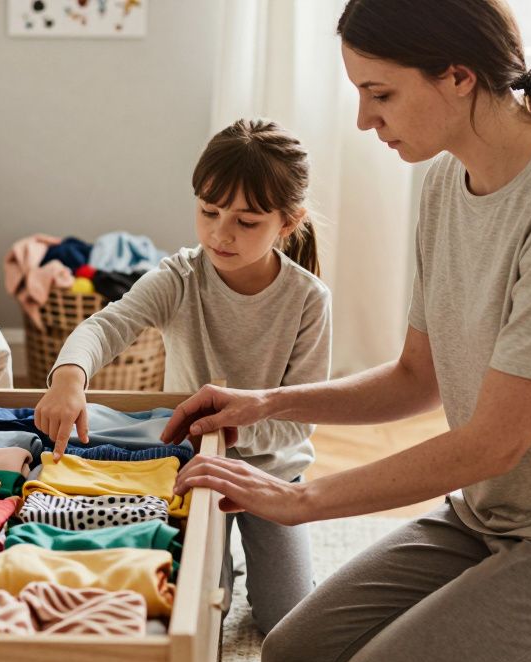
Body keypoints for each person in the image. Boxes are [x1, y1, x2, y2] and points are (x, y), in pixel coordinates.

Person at [161, 1, 531, 662]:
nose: (363, 120)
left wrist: (302, 500)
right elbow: (417, 377)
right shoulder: (447, 183)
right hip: (494, 515)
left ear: (457, 77)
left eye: (379, 93)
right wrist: (261, 402)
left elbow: (492, 443)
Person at [33, 119, 331, 635]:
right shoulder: (179, 277)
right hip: (194, 470)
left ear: (288, 222)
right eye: (209, 212)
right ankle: (227, 561)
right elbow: (106, 325)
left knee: (285, 621)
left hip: (271, 477)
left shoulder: (308, 300)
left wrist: (225, 430)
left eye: (246, 221)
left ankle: (251, 560)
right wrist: (69, 377)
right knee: (198, 612)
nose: (220, 233)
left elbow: (297, 422)